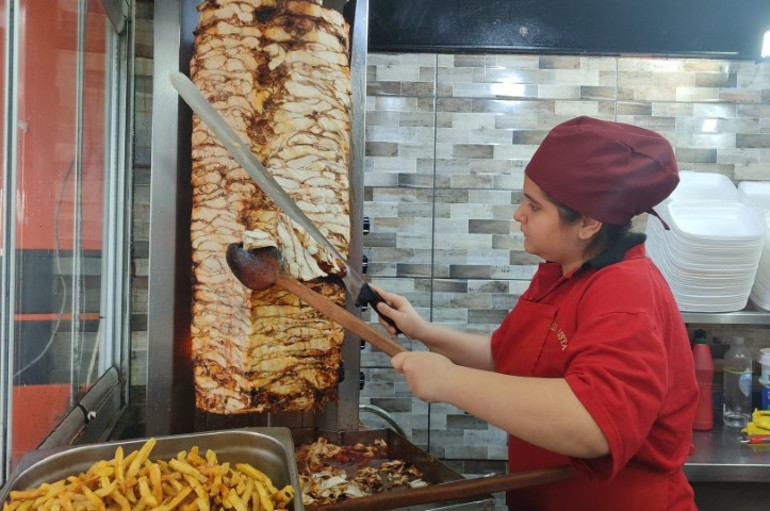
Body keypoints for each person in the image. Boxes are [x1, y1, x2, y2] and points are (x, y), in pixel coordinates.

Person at [374, 116, 699, 510]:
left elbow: (594, 424)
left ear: (589, 222)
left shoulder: (626, 291)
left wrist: (449, 382)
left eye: (534, 205)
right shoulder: (562, 272)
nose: (518, 215)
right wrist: (423, 331)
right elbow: (508, 356)